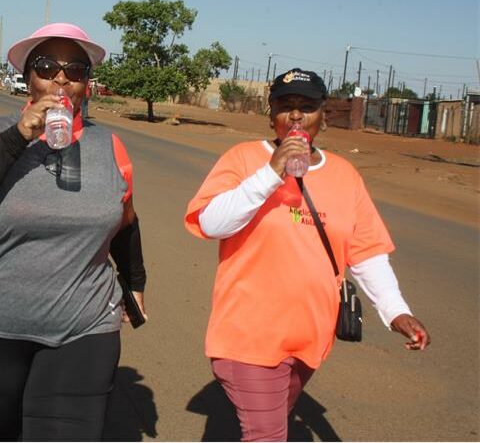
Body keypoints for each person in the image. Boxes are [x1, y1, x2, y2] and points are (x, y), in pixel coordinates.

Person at [184, 68, 431, 442]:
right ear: (271, 115)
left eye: (307, 106)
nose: (296, 115)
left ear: (324, 117)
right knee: (266, 435)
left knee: (267, 427)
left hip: (309, 339)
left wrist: (396, 310)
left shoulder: (345, 176)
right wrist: (271, 172)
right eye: (286, 106)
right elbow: (211, 221)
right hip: (248, 336)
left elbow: (366, 251)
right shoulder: (244, 158)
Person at [0, 22, 147, 441]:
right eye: (47, 66)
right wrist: (19, 136)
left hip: (84, 324)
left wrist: (135, 282)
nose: (60, 77)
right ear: (28, 77)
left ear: (86, 84)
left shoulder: (109, 146)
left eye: (75, 70)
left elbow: (125, 220)